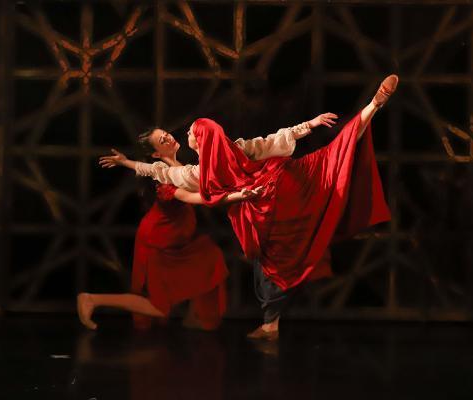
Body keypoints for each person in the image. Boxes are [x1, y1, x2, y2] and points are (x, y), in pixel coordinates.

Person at [100, 75, 398, 340]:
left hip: (267, 207)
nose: (183, 134)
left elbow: (165, 175)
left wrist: (237, 196)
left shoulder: (199, 174)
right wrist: (310, 125)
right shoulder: (235, 149)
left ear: (201, 141)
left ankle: (270, 324)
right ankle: (372, 106)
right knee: (333, 157)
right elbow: (271, 142)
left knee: (271, 266)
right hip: (285, 180)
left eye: (191, 132)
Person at [78, 128, 261, 331]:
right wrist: (238, 195)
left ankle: (194, 318)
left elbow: (145, 167)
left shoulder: (175, 167)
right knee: (159, 307)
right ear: (157, 153)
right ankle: (92, 299)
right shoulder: (164, 182)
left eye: (165, 134)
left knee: (210, 258)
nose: (167, 137)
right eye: (161, 140)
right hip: (159, 241)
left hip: (176, 237)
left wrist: (124, 161)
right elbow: (198, 198)